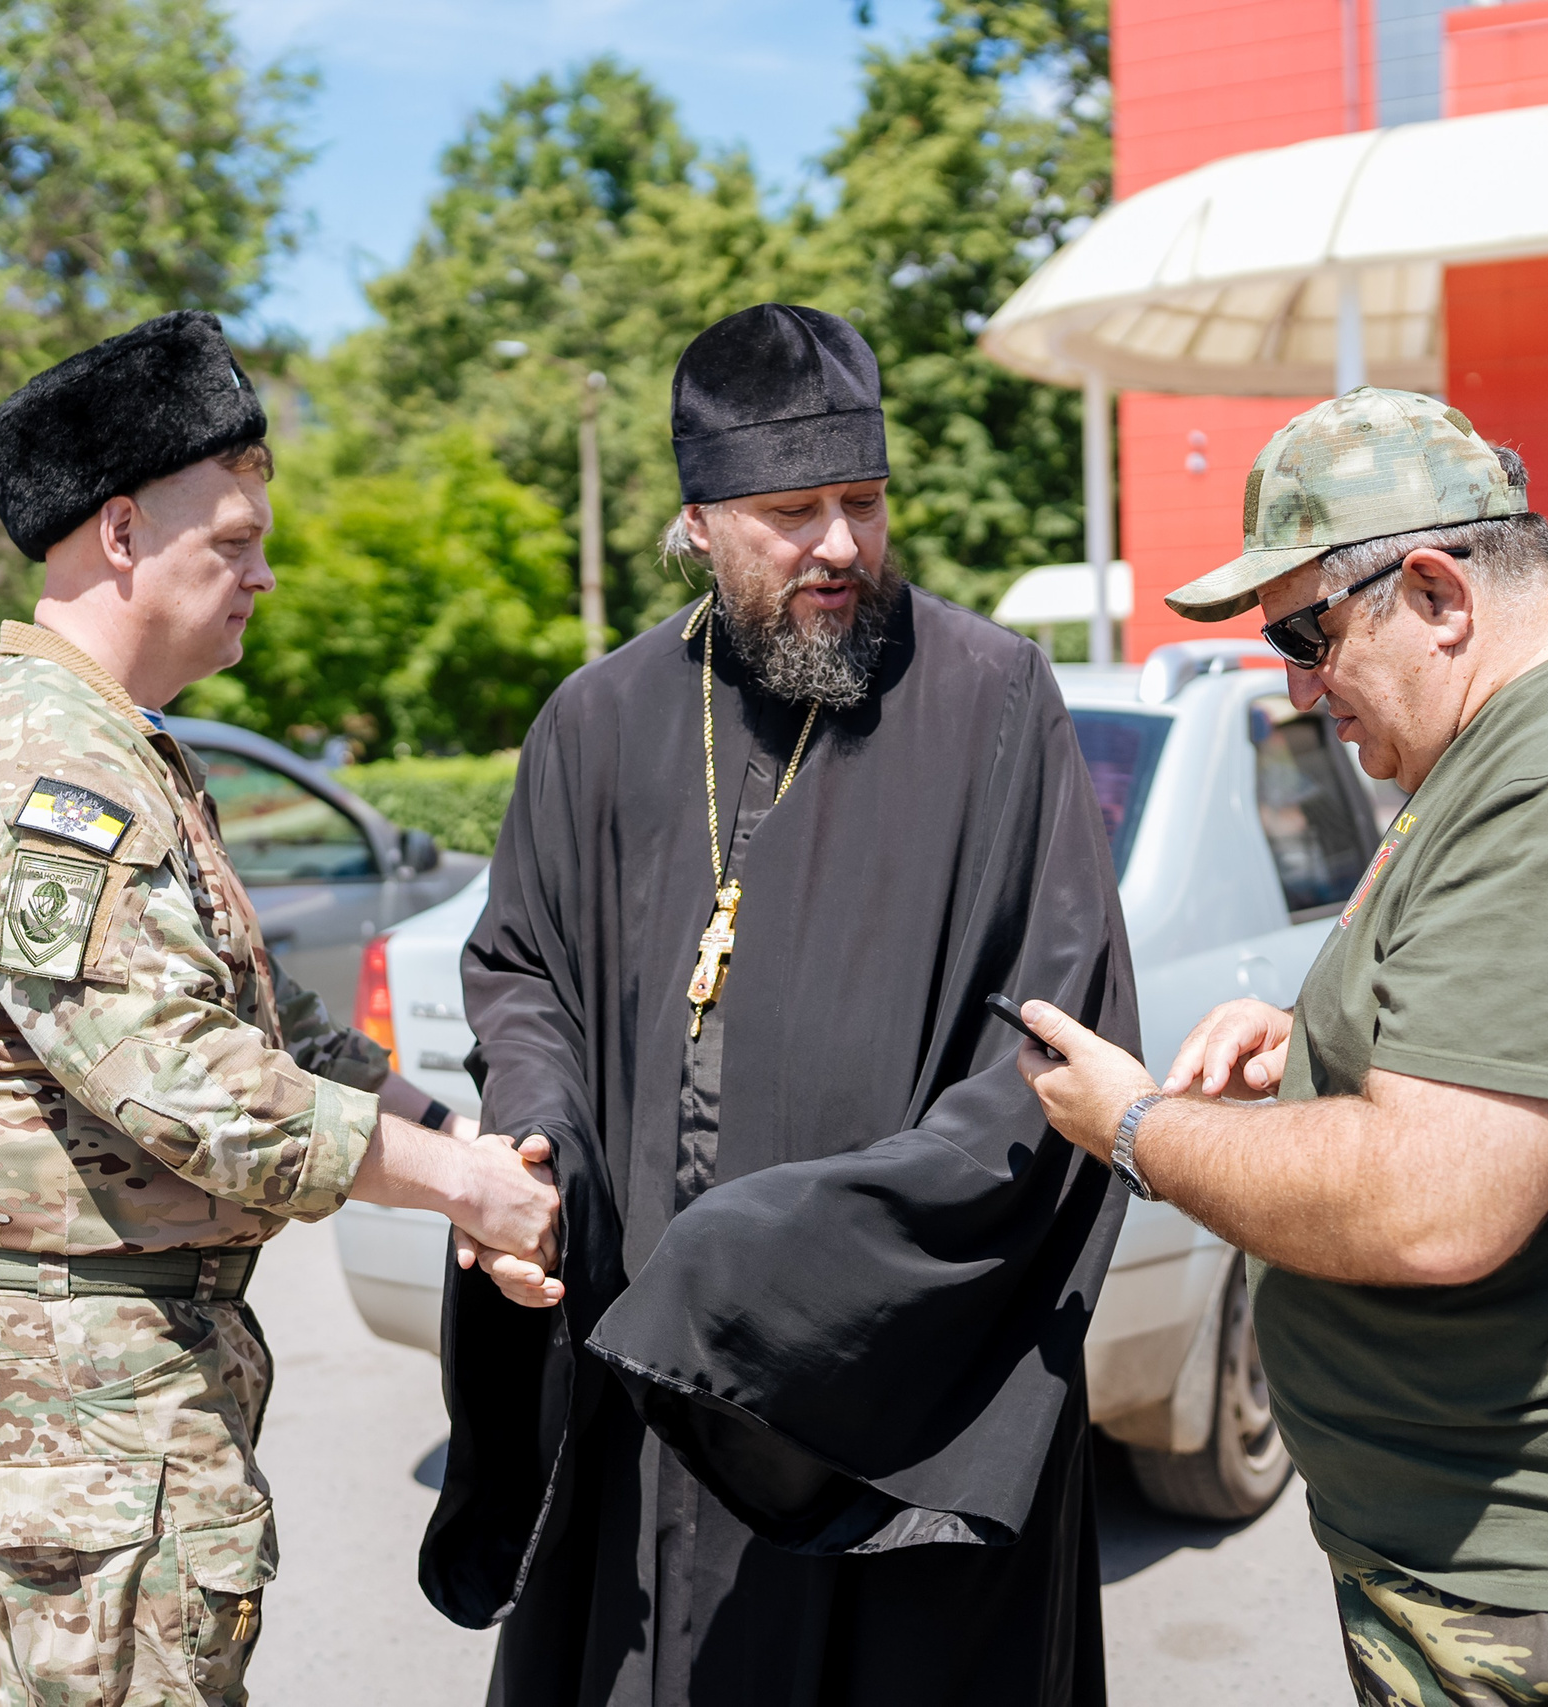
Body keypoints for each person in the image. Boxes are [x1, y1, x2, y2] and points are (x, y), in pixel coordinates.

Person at [1015, 387, 1548, 1707]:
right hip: (1541, 1571)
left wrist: (1138, 1125)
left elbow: (1434, 1204)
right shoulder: (1514, 744)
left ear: (1435, 590)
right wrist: (1314, 1039)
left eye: (1307, 635)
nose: (1299, 688)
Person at [422, 302, 1137, 1707]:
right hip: (650, 1398)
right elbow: (523, 976)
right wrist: (538, 1135)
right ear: (698, 521)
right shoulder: (599, 720)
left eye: (863, 503)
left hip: (891, 1405)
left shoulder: (994, 701)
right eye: (791, 511)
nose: (839, 547)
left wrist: (789, 1264)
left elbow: (1056, 1043)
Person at [0, 309, 558, 1707]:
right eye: (232, 543)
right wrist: (461, 1190)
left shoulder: (119, 745)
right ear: (119, 533)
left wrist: (459, 1130)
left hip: (126, 1372)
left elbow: (265, 1023)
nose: (264, 574)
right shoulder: (38, 766)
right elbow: (187, 1082)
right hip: (78, 1390)